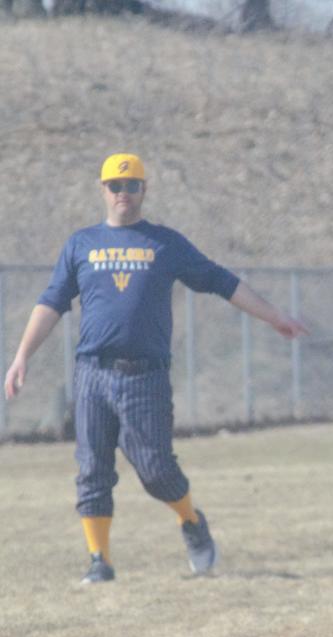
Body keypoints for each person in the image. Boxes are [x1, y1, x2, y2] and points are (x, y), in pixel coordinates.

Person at [4, 152, 308, 584]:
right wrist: (21, 356)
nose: (123, 193)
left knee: (157, 470)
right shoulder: (81, 244)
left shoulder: (164, 244)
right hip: (92, 372)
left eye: (132, 185)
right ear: (102, 189)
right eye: (115, 185)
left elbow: (221, 281)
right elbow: (52, 302)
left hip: (144, 375)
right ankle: (100, 561)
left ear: (144, 190)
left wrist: (274, 315)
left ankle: (191, 522)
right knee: (92, 469)